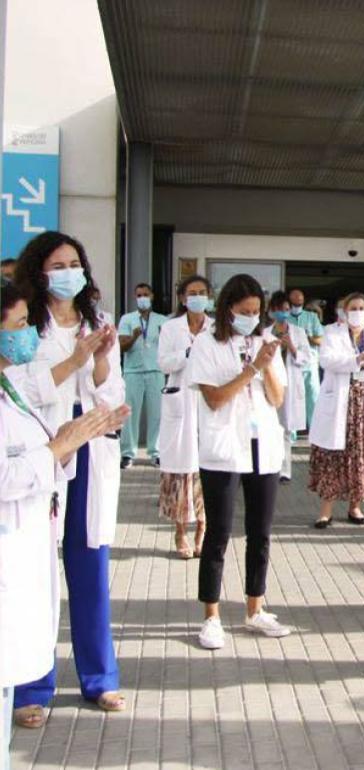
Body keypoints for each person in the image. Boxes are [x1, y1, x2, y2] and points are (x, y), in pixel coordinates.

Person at [1, 278, 130, 761]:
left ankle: (99, 678)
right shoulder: (31, 330)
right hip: (42, 462)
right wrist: (72, 366)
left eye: (75, 264)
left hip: (83, 455)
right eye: (58, 265)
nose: (68, 273)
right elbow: (31, 386)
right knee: (34, 579)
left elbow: (109, 387)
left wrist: (95, 363)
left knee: (90, 571)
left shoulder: (97, 323)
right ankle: (32, 686)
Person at [187, 273, 291, 650]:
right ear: (228, 308)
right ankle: (211, 617)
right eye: (244, 311)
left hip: (262, 445)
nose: (251, 317)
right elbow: (215, 398)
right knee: (218, 534)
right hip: (224, 448)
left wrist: (264, 366)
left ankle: (255, 609)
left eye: (256, 311)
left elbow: (277, 399)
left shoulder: (265, 342)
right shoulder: (207, 343)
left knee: (260, 533)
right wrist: (250, 369)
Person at [309, 293, 364, 527]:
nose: (357, 312)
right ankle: (326, 511)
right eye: (352, 308)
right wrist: (356, 359)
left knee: (360, 454)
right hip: (341, 401)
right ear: (345, 311)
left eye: (361, 308)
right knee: (334, 455)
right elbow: (326, 360)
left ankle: (355, 507)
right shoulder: (331, 332)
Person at [156, 275, 214, 558]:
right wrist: (188, 351)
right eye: (192, 293)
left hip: (208, 402)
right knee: (181, 472)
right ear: (182, 298)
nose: (197, 297)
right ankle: (180, 533)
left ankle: (203, 531)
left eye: (202, 292)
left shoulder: (217, 328)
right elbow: (163, 362)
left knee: (207, 471)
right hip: (180, 401)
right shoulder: (170, 328)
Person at [117, 282, 168, 468]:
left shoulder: (162, 320)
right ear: (135, 297)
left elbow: (169, 346)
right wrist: (134, 336)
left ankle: (156, 452)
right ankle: (128, 453)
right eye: (139, 295)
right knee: (130, 413)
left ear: (152, 296)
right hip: (133, 371)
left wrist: (164, 336)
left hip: (156, 370)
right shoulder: (127, 319)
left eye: (146, 294)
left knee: (157, 413)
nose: (142, 298)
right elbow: (121, 347)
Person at [266, 291, 311, 484]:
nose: (282, 313)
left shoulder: (297, 332)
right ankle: (269, 466)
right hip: (269, 383)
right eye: (278, 310)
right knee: (268, 426)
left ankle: (284, 470)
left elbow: (306, 358)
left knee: (284, 429)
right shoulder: (265, 333)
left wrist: (292, 347)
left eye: (285, 309)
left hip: (289, 385)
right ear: (271, 311)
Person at [286, 288, 325, 432]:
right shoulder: (285, 318)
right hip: (291, 364)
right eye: (294, 302)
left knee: (313, 397)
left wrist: (308, 337)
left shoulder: (311, 317)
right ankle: (292, 431)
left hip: (310, 364)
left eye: (300, 301)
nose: (297, 304)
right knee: (292, 398)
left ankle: (315, 430)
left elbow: (320, 340)